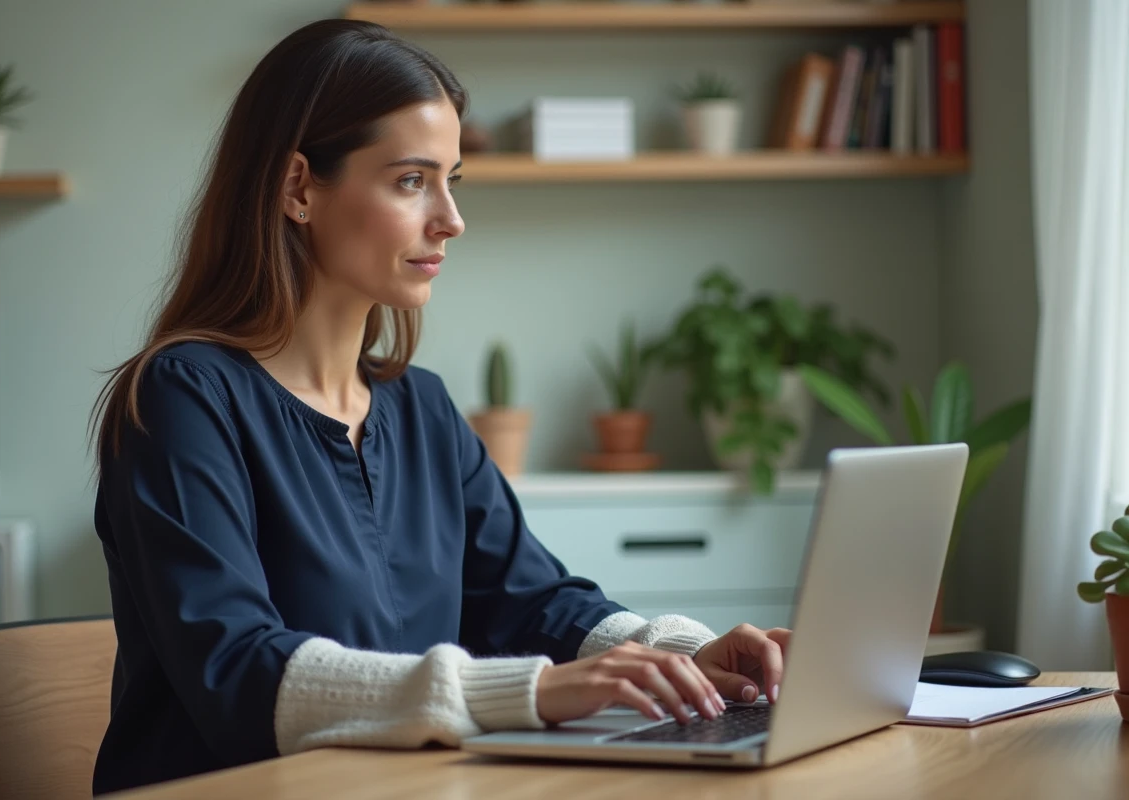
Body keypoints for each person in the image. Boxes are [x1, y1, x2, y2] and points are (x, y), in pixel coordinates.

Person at [88, 18, 790, 796]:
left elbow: (533, 602)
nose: (451, 219)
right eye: (411, 180)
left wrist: (680, 653)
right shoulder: (183, 396)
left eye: (453, 179)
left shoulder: (418, 406)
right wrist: (527, 694)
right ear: (297, 188)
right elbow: (238, 672)